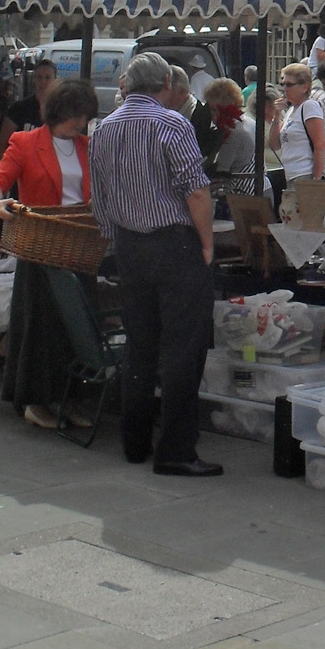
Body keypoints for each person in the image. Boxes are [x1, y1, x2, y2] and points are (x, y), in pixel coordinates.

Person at [90, 52, 219, 477]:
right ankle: (177, 450)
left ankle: (135, 441)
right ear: (166, 82)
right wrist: (206, 244)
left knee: (141, 346)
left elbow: (101, 196)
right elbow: (195, 191)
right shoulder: (172, 123)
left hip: (130, 245)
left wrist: (114, 236)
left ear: (128, 84)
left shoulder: (104, 129)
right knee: (183, 348)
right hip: (173, 244)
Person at [0, 80, 100, 429]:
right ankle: (36, 401)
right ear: (57, 112)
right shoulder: (24, 142)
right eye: (75, 116)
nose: (80, 123)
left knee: (76, 328)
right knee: (41, 329)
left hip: (78, 245)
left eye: (84, 117)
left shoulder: (88, 146)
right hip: (41, 246)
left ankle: (68, 399)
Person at [270, 63, 325, 184]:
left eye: (289, 85)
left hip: (304, 174)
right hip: (290, 175)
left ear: (304, 87)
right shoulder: (291, 110)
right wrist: (276, 116)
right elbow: (274, 144)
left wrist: (315, 181)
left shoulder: (309, 106)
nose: (284, 89)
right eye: (283, 84)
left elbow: (320, 145)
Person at [203, 78, 256, 189]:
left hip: (245, 194)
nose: (211, 115)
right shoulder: (245, 122)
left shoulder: (233, 133)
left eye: (214, 110)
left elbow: (220, 173)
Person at [0, 58, 58, 152]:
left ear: (55, 80)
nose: (43, 82)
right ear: (34, 79)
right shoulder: (18, 109)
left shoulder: (61, 110)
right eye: (39, 77)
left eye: (47, 77)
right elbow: (2, 144)